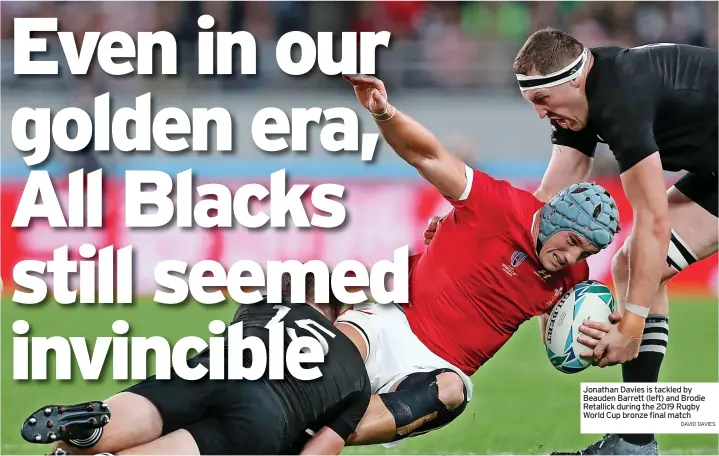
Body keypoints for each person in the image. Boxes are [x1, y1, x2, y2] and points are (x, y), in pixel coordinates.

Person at [336, 74, 621, 447]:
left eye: (585, 253)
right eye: (572, 242)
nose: (572, 257)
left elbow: (557, 339)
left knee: (453, 390)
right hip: (391, 322)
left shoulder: (573, 276)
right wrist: (384, 113)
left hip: (434, 372)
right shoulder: (495, 204)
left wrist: (595, 341)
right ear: (554, 217)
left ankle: (316, 436)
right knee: (338, 353)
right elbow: (428, 155)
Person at [511, 28, 718, 455]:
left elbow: (653, 221)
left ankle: (635, 443)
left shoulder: (618, 98)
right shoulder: (588, 94)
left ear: (572, 79)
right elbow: (546, 202)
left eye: (543, 101)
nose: (539, 114)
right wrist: (484, 233)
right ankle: (635, 442)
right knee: (632, 268)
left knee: (641, 264)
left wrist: (631, 327)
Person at [20, 275, 371, 456]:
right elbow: (320, 449)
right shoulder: (358, 377)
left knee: (155, 406)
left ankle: (90, 432)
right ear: (339, 313)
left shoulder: (258, 306)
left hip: (214, 368)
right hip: (267, 414)